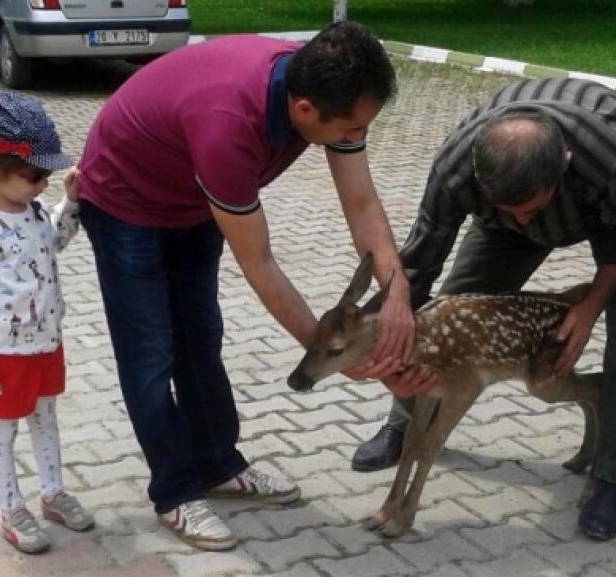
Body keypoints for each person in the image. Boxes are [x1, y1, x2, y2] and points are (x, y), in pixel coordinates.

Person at [76, 21, 423, 551]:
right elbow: (260, 265)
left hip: (192, 194)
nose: (357, 138)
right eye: (351, 130)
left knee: (201, 334)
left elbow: (363, 205)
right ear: (305, 111)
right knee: (150, 353)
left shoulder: (327, 93)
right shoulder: (228, 127)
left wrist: (397, 290)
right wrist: (336, 354)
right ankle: (174, 492)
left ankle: (217, 464)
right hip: (125, 199)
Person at [352, 78, 616, 542]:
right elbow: (419, 265)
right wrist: (386, 339)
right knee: (450, 314)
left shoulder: (612, 159)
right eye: (510, 208)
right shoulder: (459, 167)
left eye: (530, 208)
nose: (526, 220)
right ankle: (404, 426)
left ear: (563, 166)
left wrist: (589, 308)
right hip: (507, 209)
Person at [0, 91, 93, 554]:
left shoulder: (30, 210)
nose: (42, 184)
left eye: (47, 175)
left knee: (46, 420)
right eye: (35, 175)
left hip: (46, 342)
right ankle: (11, 508)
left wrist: (69, 204)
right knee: (2, 432)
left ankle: (52, 494)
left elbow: (55, 242)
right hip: (4, 354)